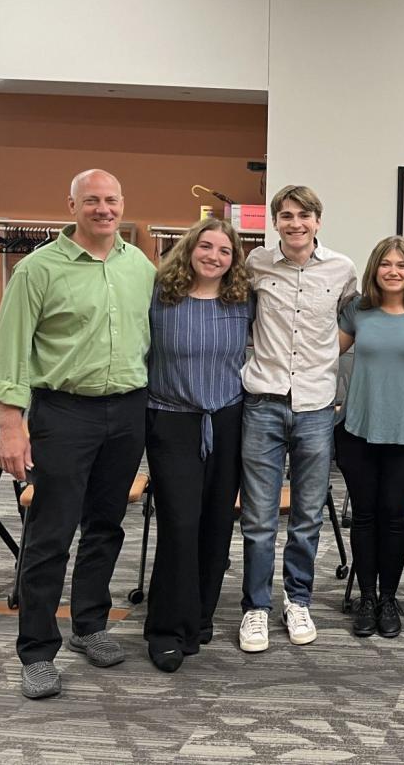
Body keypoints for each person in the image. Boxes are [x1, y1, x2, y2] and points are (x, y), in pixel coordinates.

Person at [0, 169, 155, 700]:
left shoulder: (140, 267)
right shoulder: (38, 270)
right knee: (50, 533)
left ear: (122, 203)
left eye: (111, 200)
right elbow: (9, 353)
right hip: (64, 413)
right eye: (91, 201)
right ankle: (37, 650)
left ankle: (90, 623)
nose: (103, 209)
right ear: (72, 206)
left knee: (106, 525)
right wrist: (11, 427)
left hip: (128, 412)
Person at [238, 185, 357, 653]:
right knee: (259, 517)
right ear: (275, 223)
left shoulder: (342, 270)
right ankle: (255, 608)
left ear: (317, 221)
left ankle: (298, 598)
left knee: (308, 515)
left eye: (303, 215)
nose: (294, 223)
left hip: (315, 407)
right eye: (285, 216)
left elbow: (357, 323)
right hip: (263, 402)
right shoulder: (255, 265)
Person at [143, 218, 252, 672]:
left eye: (224, 251)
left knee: (215, 524)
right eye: (206, 246)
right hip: (172, 421)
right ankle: (166, 628)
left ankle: (200, 616)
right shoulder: (159, 297)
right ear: (189, 249)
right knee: (179, 524)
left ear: (234, 260)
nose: (214, 256)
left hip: (228, 420)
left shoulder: (244, 300)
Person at [337, 236, 404, 639]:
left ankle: (388, 598)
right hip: (358, 430)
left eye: (401, 264)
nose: (393, 270)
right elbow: (325, 352)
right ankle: (365, 598)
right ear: (374, 269)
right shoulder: (357, 311)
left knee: (394, 518)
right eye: (385, 264)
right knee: (364, 516)